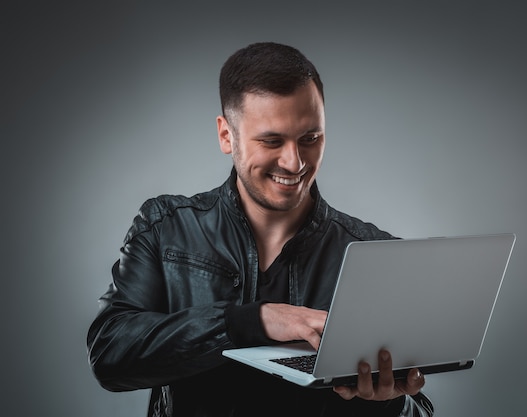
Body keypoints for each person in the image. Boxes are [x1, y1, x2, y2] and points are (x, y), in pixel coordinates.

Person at [87, 42, 434, 417]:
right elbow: (110, 354)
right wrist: (255, 320)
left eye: (310, 138)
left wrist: (388, 403)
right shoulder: (166, 227)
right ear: (226, 136)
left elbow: (419, 408)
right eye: (272, 141)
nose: (294, 161)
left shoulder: (375, 254)